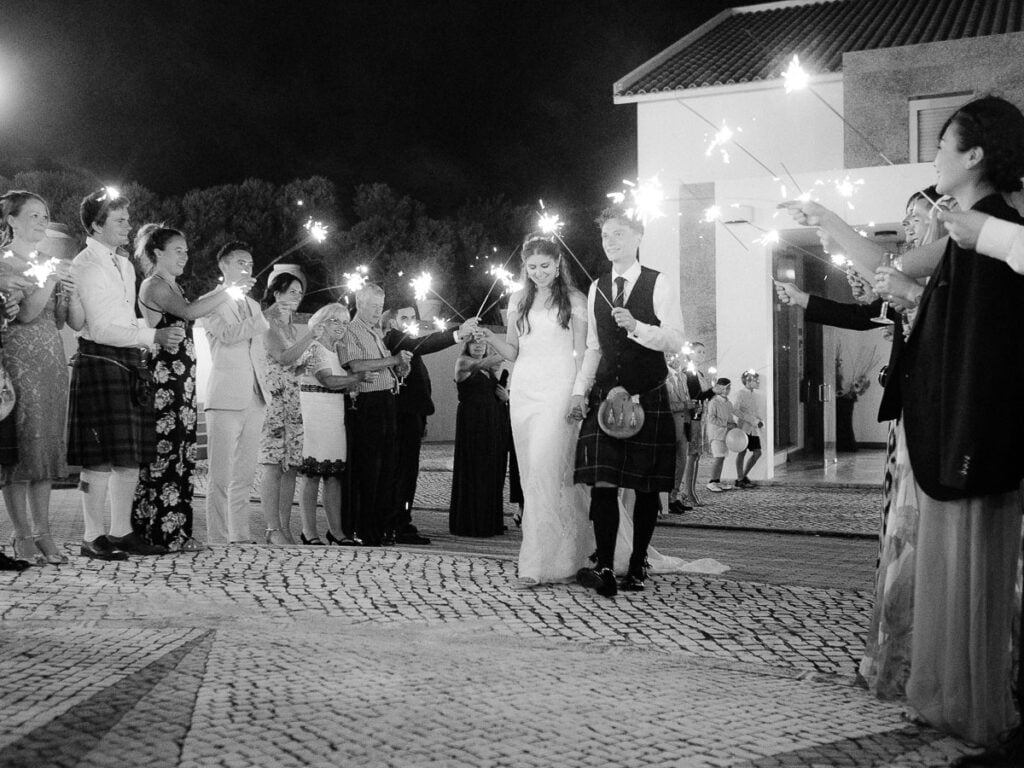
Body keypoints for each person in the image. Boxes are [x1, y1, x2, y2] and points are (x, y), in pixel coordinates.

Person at [884, 96, 1024, 752]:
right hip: (948, 429)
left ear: (975, 155)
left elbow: (985, 352)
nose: (933, 157)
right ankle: (939, 694)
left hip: (973, 434)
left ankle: (970, 702)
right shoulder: (970, 233)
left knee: (973, 577)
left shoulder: (994, 228)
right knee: (944, 574)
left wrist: (964, 434)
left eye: (942, 145)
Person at [571, 206, 686, 596]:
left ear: (638, 237)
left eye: (618, 234)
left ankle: (637, 565)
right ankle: (604, 563)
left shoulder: (659, 282)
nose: (610, 242)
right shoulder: (596, 287)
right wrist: (578, 391)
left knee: (645, 486)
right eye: (605, 236)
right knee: (603, 482)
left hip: (647, 396)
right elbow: (592, 346)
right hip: (605, 398)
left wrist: (637, 327)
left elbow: (674, 340)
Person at [68, 189, 184, 560]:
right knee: (100, 455)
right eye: (119, 220)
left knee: (129, 456)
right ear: (96, 225)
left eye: (127, 218)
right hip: (100, 358)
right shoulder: (86, 265)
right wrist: (153, 335)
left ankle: (121, 532)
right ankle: (92, 535)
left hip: (126, 359)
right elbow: (100, 328)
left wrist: (142, 337)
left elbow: (122, 317)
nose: (128, 225)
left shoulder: (124, 265)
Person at [130, 224, 249, 552]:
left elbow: (193, 307)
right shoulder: (154, 285)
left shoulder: (173, 285)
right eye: (178, 250)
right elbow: (188, 312)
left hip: (181, 381)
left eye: (186, 250)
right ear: (157, 253)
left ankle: (177, 531)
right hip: (165, 381)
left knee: (181, 454)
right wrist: (229, 288)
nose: (185, 256)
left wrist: (224, 289)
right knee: (166, 454)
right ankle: (161, 532)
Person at [0, 191, 73, 565]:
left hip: (51, 357)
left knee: (45, 445)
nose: (42, 221)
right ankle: (21, 533)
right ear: (12, 220)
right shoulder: (4, 263)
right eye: (33, 215)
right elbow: (25, 314)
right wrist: (47, 281)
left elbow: (60, 320)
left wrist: (66, 295)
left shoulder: (50, 261)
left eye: (45, 215)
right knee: (21, 446)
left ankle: (45, 531)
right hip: (19, 357)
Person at [383, 302, 477, 545]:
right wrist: (458, 333)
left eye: (414, 317)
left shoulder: (407, 342)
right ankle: (398, 522)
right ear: (392, 321)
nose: (410, 321)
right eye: (404, 317)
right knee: (403, 472)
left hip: (413, 416)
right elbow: (426, 343)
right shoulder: (395, 338)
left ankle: (402, 519)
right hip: (402, 418)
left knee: (409, 472)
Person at [200, 242, 268, 545]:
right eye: (240, 262)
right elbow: (227, 335)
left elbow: (258, 349)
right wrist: (260, 322)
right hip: (226, 395)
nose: (247, 269)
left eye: (251, 264)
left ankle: (240, 534)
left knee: (244, 473)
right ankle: (217, 535)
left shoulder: (254, 306)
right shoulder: (210, 302)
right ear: (224, 265)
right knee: (220, 475)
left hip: (255, 395)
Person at [339, 283, 412, 546]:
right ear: (359, 302)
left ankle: (381, 527)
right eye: (372, 307)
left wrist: (399, 368)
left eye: (379, 308)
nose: (375, 312)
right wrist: (392, 360)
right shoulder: (351, 331)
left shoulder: (375, 332)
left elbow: (383, 367)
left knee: (387, 470)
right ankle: (365, 529)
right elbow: (356, 365)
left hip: (387, 403)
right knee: (370, 469)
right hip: (368, 406)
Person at [259, 270, 321, 545]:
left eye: (300, 292)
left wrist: (301, 367)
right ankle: (272, 528)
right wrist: (310, 338)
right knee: (273, 464)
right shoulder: (266, 323)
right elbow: (282, 357)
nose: (297, 297)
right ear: (276, 293)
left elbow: (290, 365)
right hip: (274, 401)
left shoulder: (288, 327)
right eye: (292, 291)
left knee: (290, 466)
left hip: (291, 399)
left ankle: (284, 526)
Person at [296, 303, 362, 545]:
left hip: (334, 414)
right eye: (336, 321)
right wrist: (357, 378)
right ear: (322, 323)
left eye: (345, 322)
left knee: (334, 476)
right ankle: (309, 531)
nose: (341, 327)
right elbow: (327, 380)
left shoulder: (338, 351)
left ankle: (336, 531)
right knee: (312, 474)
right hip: (315, 411)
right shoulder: (314, 349)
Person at [448, 337, 509, 537]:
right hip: (472, 425)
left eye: (482, 342)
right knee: (475, 469)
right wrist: (513, 347)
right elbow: (485, 362)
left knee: (490, 470)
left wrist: (503, 398)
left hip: (490, 425)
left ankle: (488, 520)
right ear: (466, 345)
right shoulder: (463, 362)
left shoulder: (489, 371)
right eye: (474, 342)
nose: (479, 345)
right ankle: (472, 522)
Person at [679, 342, 714, 507]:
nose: (702, 355)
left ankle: (691, 490)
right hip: (692, 417)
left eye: (704, 352)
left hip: (700, 416)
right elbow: (696, 396)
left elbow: (703, 397)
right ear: (690, 354)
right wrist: (713, 391)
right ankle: (688, 491)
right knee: (692, 454)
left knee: (697, 454)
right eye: (699, 352)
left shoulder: (698, 373)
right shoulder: (688, 373)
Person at [665, 351, 693, 514]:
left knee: (681, 462)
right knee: (671, 463)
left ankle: (674, 496)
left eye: (677, 356)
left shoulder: (682, 377)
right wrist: (685, 405)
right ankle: (668, 498)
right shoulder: (664, 378)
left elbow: (687, 399)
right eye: (670, 356)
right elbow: (667, 405)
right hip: (671, 425)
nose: (674, 360)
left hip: (684, 425)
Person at [703, 378, 737, 492]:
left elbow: (731, 415)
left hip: (725, 435)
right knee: (718, 457)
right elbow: (711, 418)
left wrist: (733, 424)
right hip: (716, 434)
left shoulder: (728, 402)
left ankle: (717, 480)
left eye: (729, 388)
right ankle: (712, 481)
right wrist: (726, 424)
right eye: (726, 388)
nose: (728, 390)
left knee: (722, 457)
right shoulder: (714, 402)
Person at [732, 370, 764, 488]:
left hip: (753, 429)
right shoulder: (741, 393)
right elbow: (735, 410)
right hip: (744, 428)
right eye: (755, 380)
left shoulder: (754, 394)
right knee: (742, 451)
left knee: (757, 452)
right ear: (748, 381)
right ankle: (740, 478)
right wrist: (752, 420)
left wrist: (759, 421)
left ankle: (743, 476)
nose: (758, 382)